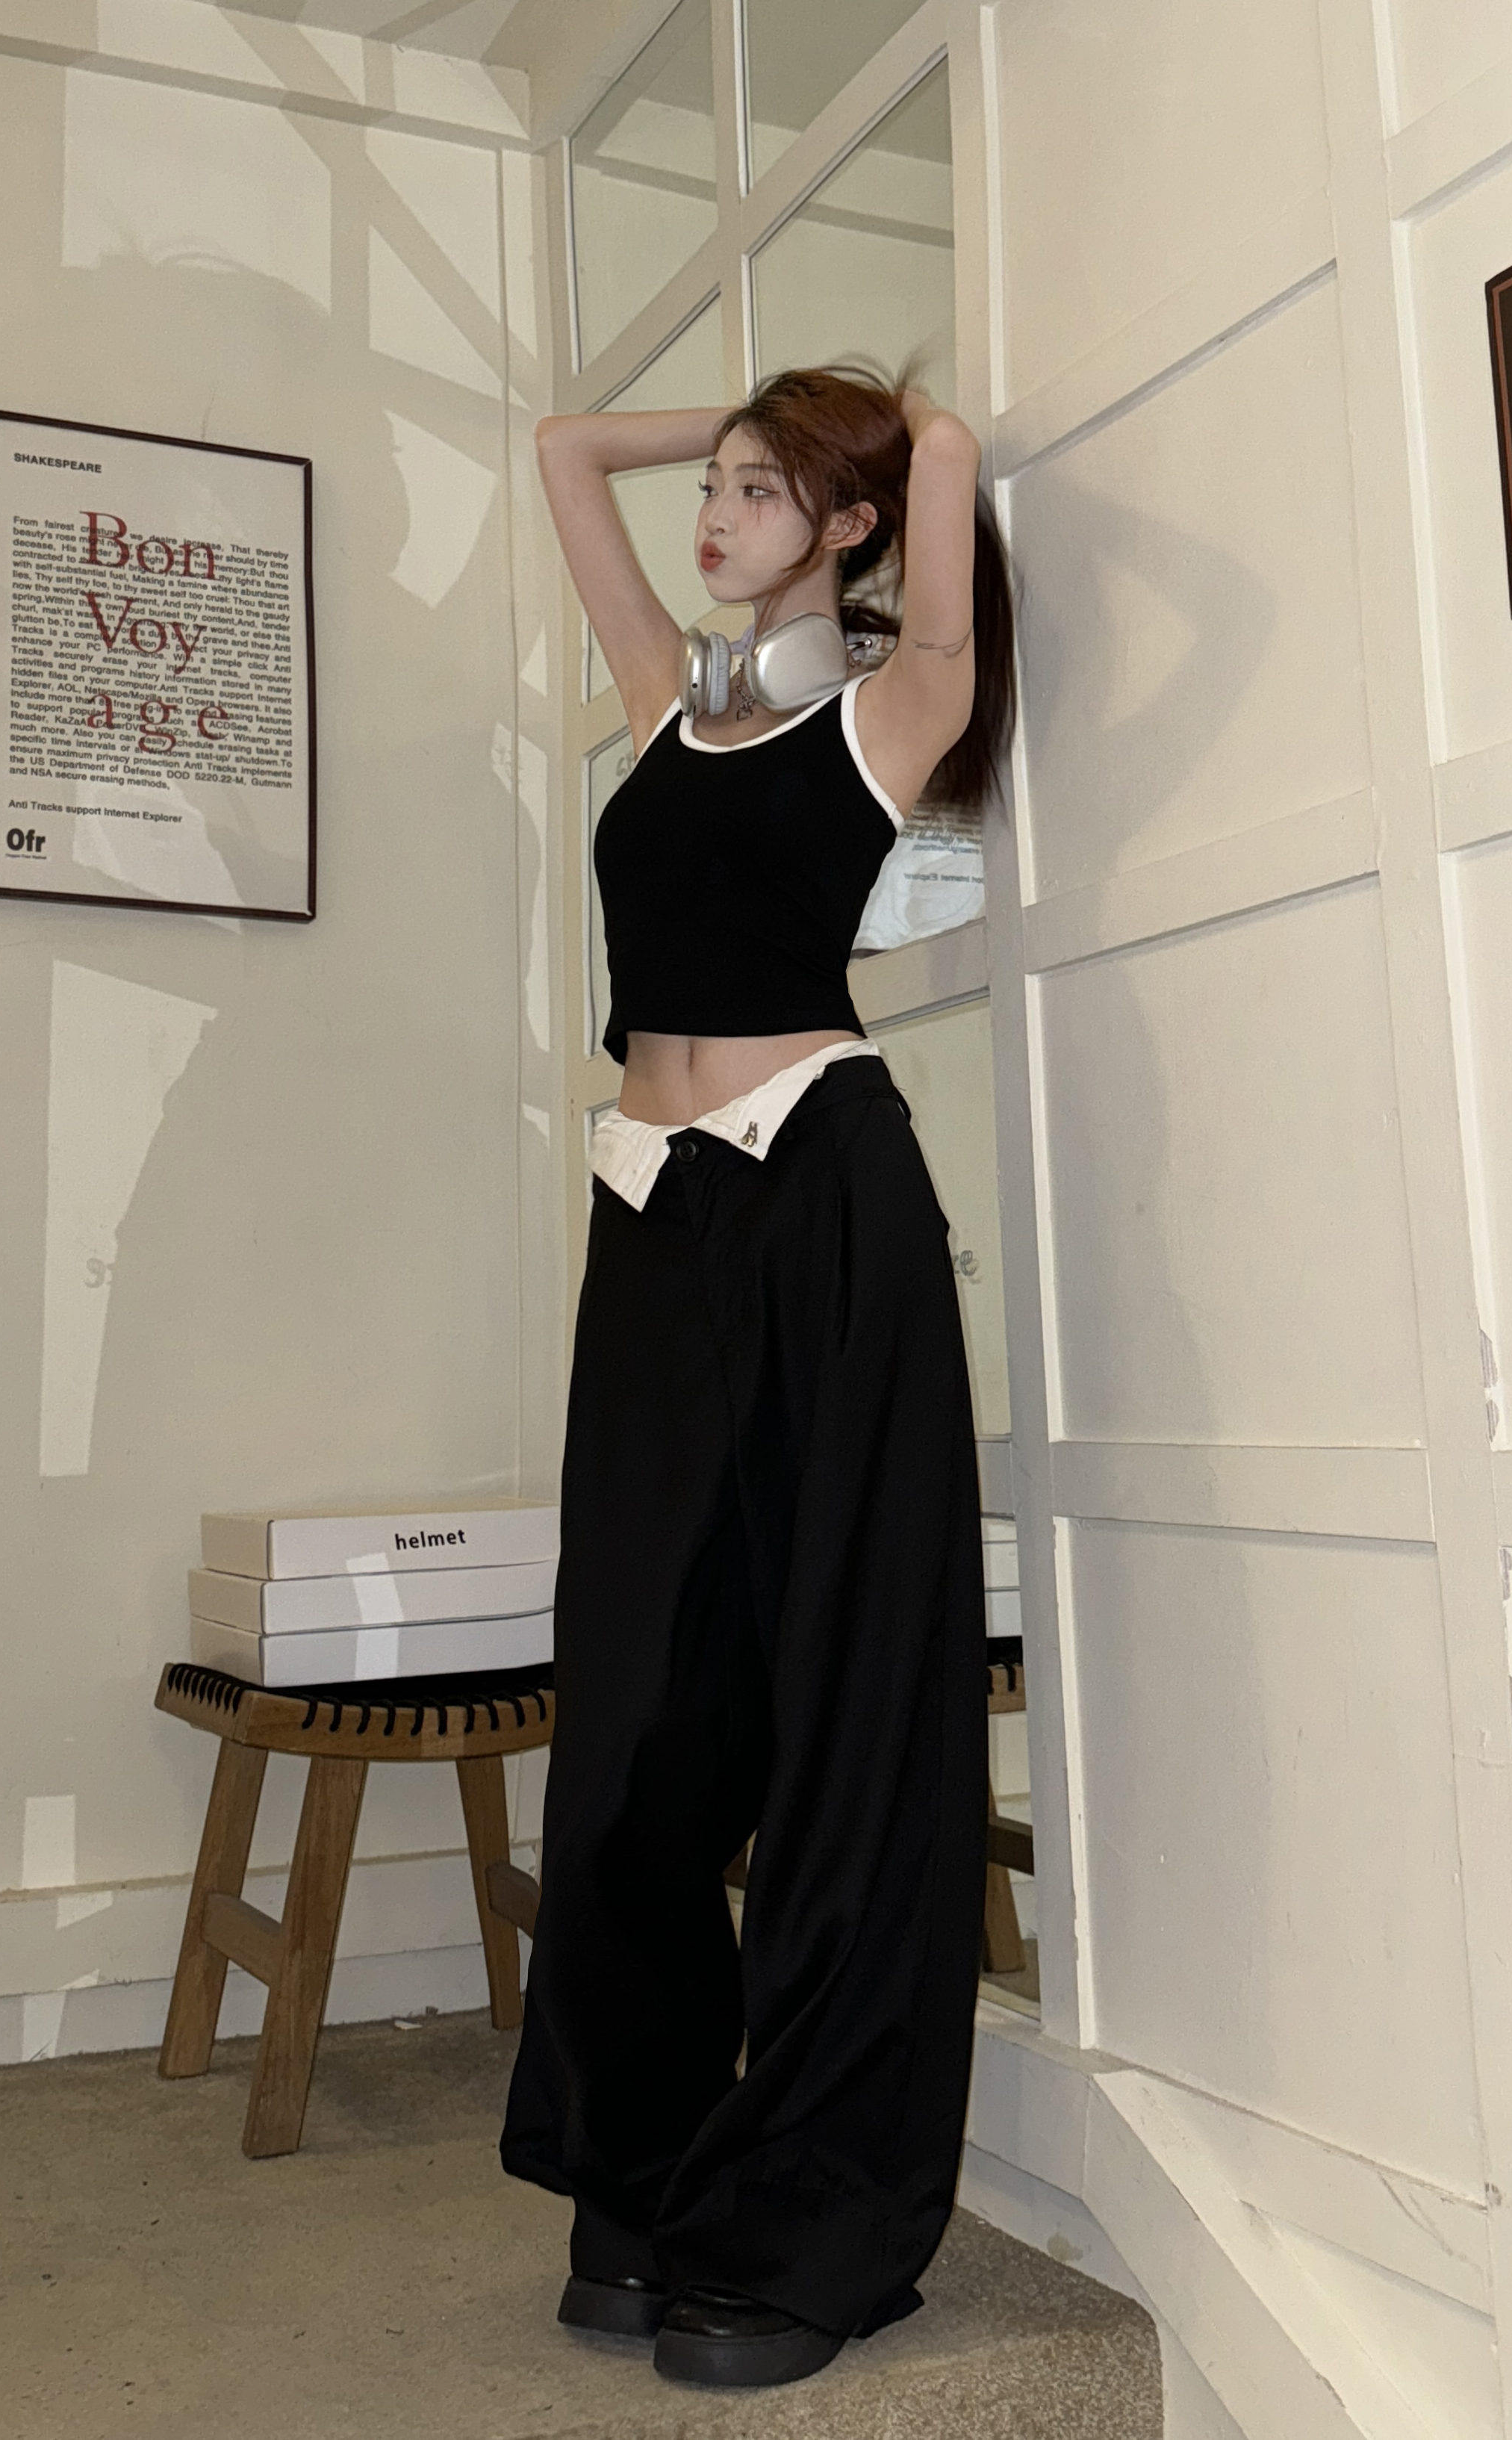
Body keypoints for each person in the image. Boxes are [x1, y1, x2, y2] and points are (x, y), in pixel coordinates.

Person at [499, 364, 1018, 2392]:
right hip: (651, 1214)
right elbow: (564, 453)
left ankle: (809, 2222)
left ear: (849, 525)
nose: (710, 515)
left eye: (755, 492)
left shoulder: (888, 713)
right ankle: (639, 2180)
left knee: (842, 1713)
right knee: (631, 1712)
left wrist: (893, 440)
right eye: (712, 488)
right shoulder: (668, 701)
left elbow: (942, 505)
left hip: (821, 1200)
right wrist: (746, 422)